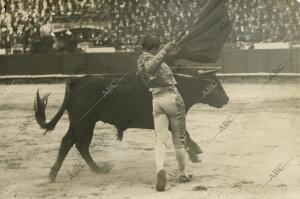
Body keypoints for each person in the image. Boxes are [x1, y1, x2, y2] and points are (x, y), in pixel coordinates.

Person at [137, 35, 192, 192]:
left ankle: (160, 169)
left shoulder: (139, 62)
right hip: (172, 98)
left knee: (160, 139)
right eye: (158, 48)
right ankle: (182, 173)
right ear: (154, 48)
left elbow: (153, 71)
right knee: (179, 139)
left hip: (156, 100)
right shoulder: (150, 61)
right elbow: (151, 67)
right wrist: (166, 49)